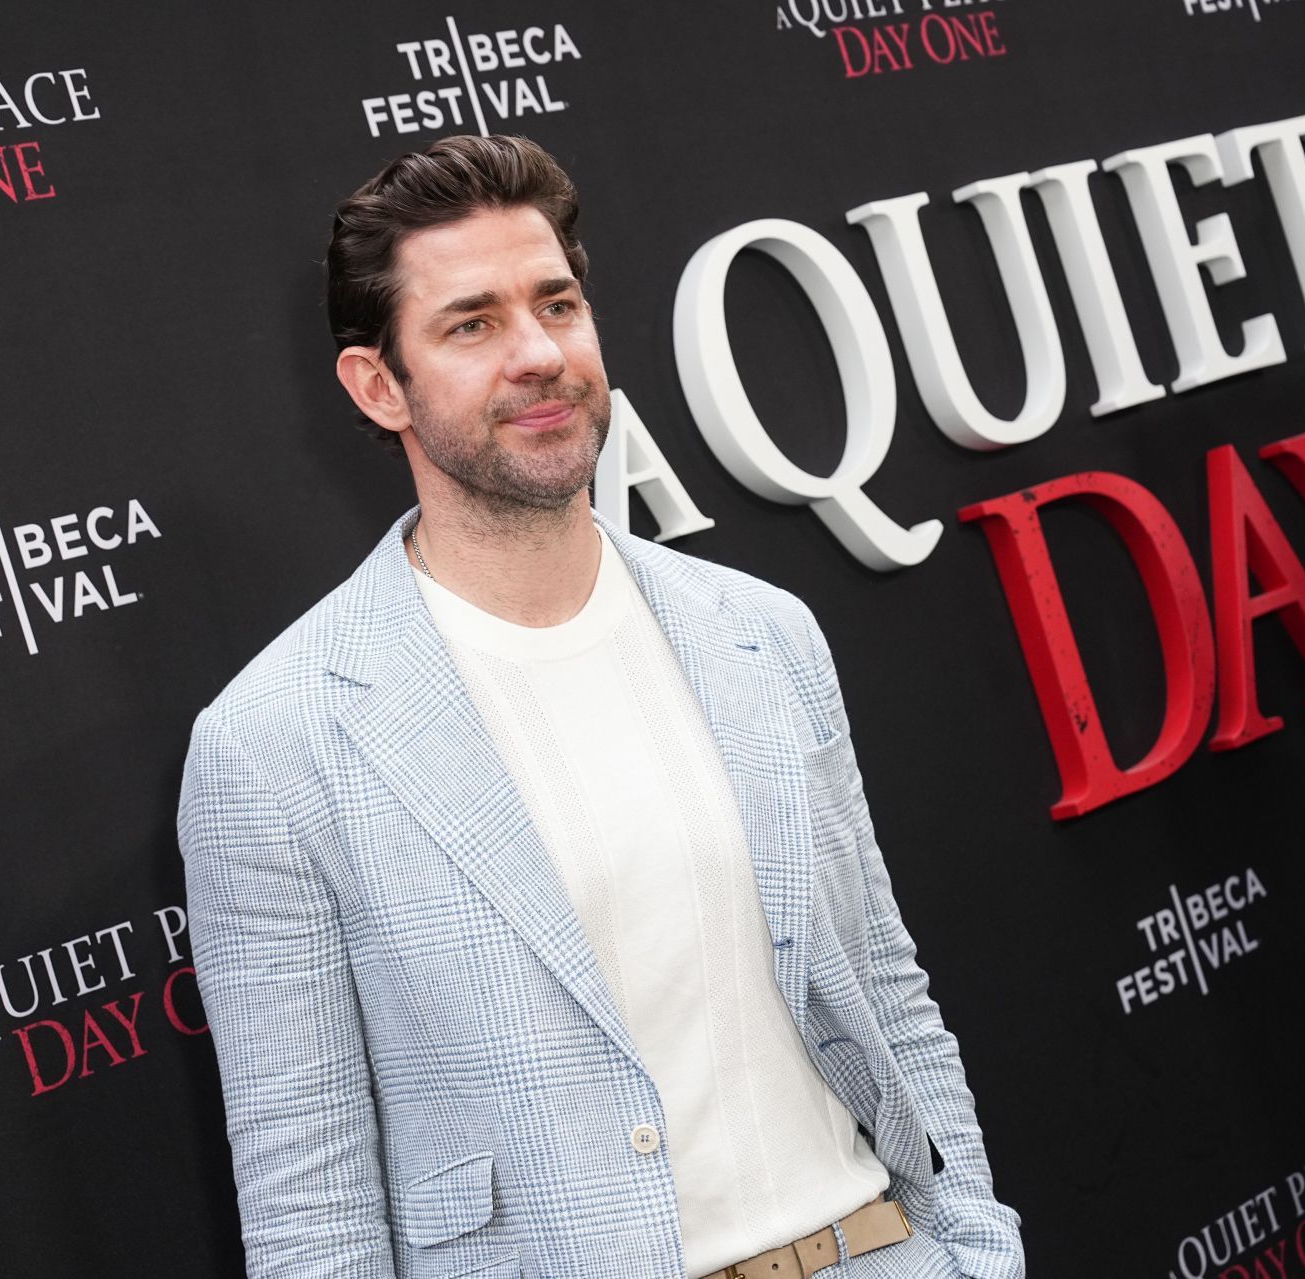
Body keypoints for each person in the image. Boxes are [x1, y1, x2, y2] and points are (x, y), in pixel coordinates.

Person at [178, 134, 1024, 1279]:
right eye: (471, 324)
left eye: (557, 303)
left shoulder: (762, 632)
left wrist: (974, 1246)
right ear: (379, 385)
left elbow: (883, 985)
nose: (539, 354)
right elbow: (309, 1203)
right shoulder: (276, 745)